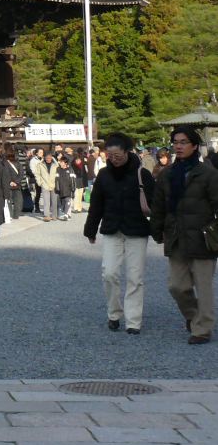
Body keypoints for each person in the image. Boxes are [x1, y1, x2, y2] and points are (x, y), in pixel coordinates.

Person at [150, 127, 218, 345]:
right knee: (176, 286)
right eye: (175, 142)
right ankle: (193, 316)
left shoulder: (208, 174)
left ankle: (202, 329)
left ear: (195, 146)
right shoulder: (166, 174)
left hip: (202, 237)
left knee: (203, 286)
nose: (178, 146)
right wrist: (156, 229)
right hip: (176, 235)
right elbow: (158, 205)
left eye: (183, 142)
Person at [85, 133, 153, 334]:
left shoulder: (143, 174)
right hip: (112, 229)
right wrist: (90, 229)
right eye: (110, 155)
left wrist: (160, 230)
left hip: (137, 230)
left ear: (127, 152)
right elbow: (96, 204)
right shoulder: (104, 175)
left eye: (117, 155)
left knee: (135, 276)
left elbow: (156, 204)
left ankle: (133, 321)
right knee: (109, 272)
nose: (113, 159)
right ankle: (114, 312)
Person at [37, 151, 59, 222]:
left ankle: (54, 215)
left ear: (52, 158)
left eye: (50, 158)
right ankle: (47, 216)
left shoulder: (55, 164)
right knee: (46, 201)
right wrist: (40, 182)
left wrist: (54, 159)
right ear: (44, 158)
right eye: (47, 158)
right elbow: (37, 174)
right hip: (45, 185)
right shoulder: (40, 164)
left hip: (54, 184)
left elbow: (59, 169)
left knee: (54, 201)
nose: (48, 159)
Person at [56, 156, 76, 221]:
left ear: (65, 163)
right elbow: (56, 179)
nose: (60, 163)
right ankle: (66, 214)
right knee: (63, 202)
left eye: (62, 162)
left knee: (68, 201)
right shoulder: (58, 169)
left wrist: (73, 188)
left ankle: (66, 215)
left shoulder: (70, 169)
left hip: (68, 188)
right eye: (60, 162)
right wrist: (57, 187)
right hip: (61, 188)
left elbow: (73, 179)